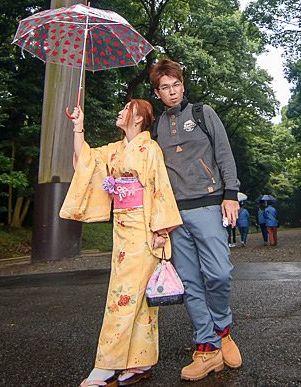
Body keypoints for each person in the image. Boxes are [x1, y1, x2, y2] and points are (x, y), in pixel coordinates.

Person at [60, 99, 183, 387]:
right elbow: (87, 161)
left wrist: (160, 229)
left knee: (123, 297)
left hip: (144, 228)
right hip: (123, 227)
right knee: (137, 300)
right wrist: (79, 128)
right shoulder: (117, 149)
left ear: (139, 117)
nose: (120, 112)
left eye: (126, 108)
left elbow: (159, 186)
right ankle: (139, 362)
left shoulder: (149, 148)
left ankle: (106, 365)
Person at [149, 59, 242, 381]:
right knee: (189, 282)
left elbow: (224, 153)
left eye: (175, 85)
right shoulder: (156, 126)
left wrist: (231, 193)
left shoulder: (203, 113)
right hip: (174, 213)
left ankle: (223, 330)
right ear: (157, 92)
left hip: (208, 204)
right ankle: (207, 348)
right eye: (165, 88)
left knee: (219, 272)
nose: (172, 92)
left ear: (183, 85)